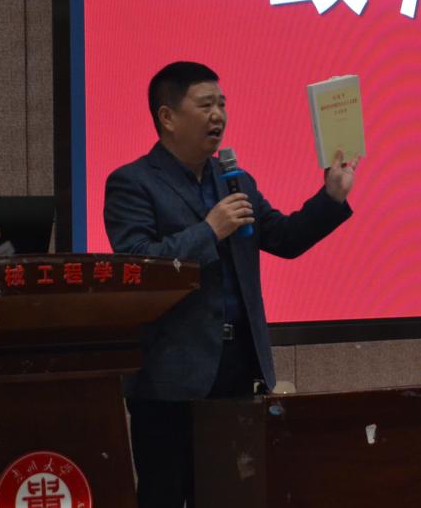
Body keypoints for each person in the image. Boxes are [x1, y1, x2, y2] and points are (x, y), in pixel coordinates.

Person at [104, 61, 355, 508]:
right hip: (171, 377)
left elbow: (285, 238)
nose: (218, 115)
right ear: (167, 117)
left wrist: (332, 196)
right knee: (166, 496)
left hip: (239, 368)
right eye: (205, 105)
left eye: (222, 104)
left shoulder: (234, 180)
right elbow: (137, 265)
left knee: (234, 493)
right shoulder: (132, 183)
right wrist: (209, 230)